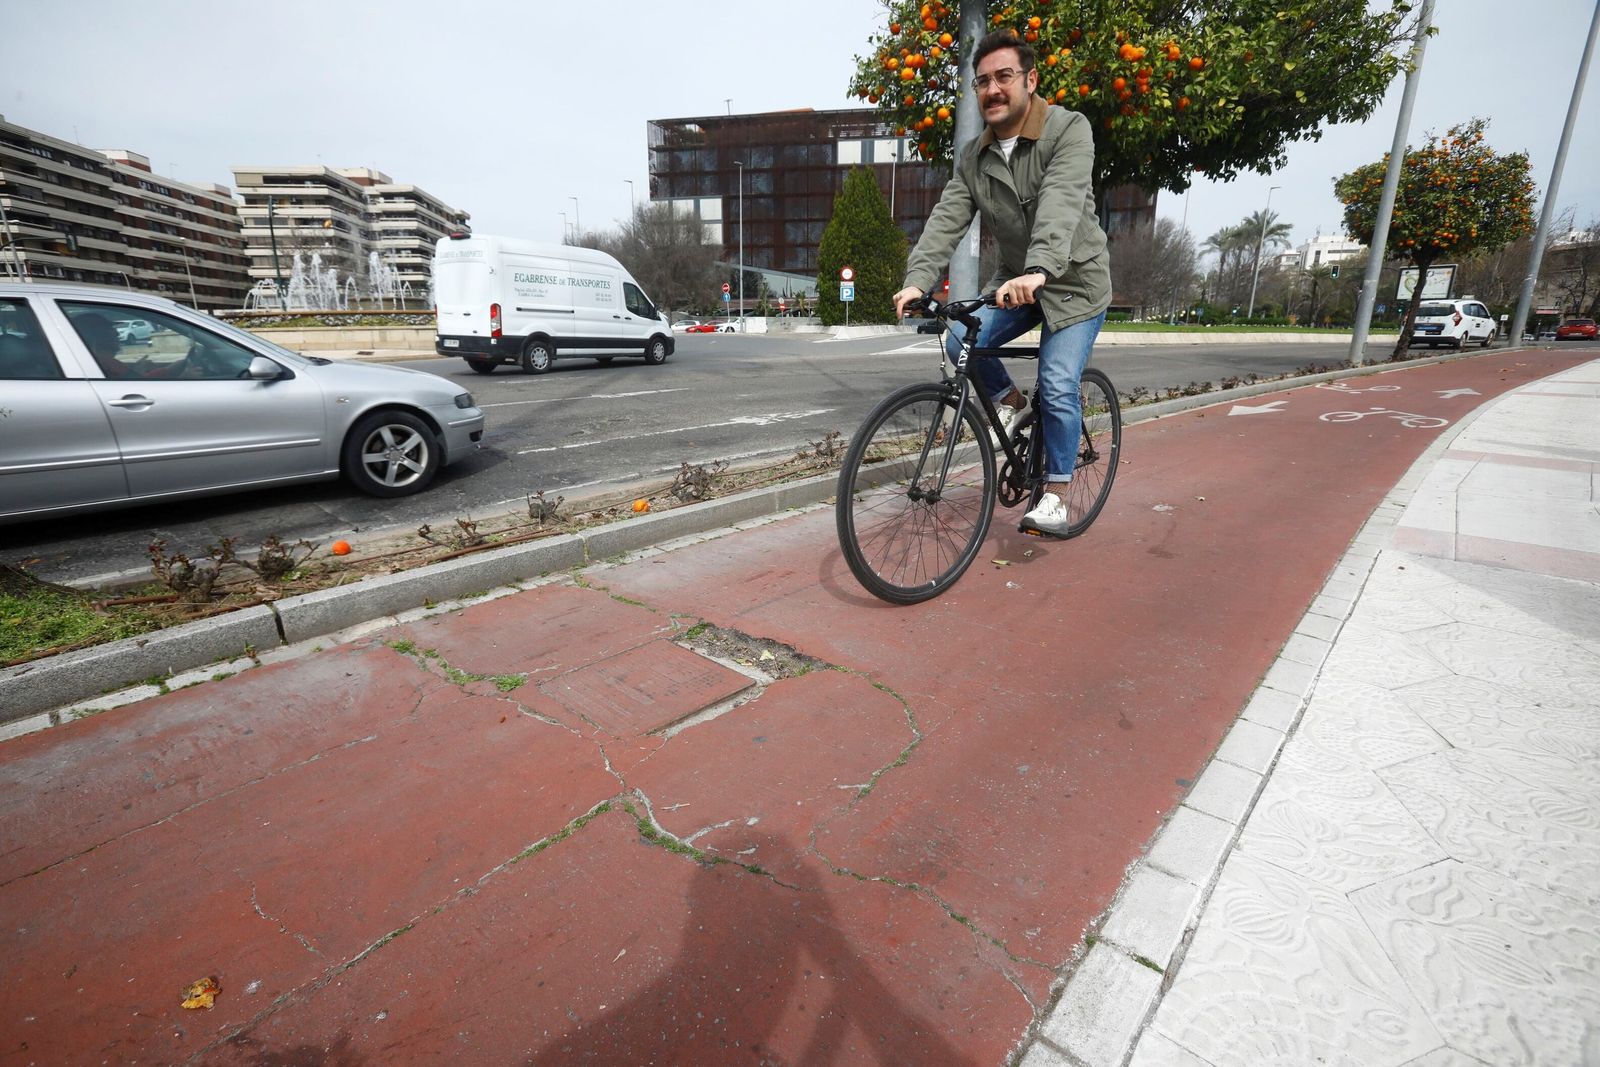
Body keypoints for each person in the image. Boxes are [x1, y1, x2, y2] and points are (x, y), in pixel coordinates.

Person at [893, 29, 1112, 537]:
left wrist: (1040, 269)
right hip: (1016, 280)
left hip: (1075, 283)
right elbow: (947, 218)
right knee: (957, 340)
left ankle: (1056, 494)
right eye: (982, 81)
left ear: (1030, 80)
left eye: (1004, 77)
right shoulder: (974, 156)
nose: (992, 89)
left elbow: (1059, 201)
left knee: (1058, 383)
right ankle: (1013, 408)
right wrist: (917, 280)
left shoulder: (1068, 130)